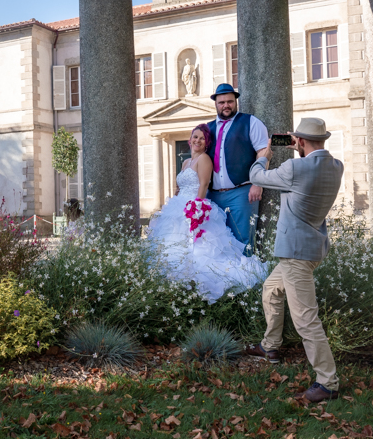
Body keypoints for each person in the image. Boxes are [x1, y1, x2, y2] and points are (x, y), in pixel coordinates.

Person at [245, 117, 344, 403]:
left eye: (297, 141)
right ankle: (270, 346)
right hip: (311, 248)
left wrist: (265, 156)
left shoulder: (294, 168)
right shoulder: (336, 166)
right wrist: (300, 147)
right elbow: (310, 165)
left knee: (306, 320)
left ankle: (327, 382)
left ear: (299, 140)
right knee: (271, 289)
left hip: (295, 253)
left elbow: (256, 176)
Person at [147, 124, 268, 301]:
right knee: (172, 247)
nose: (198, 141)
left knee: (197, 250)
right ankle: (176, 289)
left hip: (194, 206)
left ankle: (199, 287)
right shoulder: (186, 162)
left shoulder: (204, 159)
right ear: (190, 139)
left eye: (202, 138)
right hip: (179, 205)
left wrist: (196, 210)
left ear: (206, 143)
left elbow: (203, 185)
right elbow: (180, 187)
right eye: (195, 137)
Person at [205, 83, 270, 250]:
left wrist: (258, 183)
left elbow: (264, 152)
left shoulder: (251, 122)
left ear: (235, 102)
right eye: (222, 102)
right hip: (212, 196)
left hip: (242, 193)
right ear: (216, 104)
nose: (226, 105)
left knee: (243, 242)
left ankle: (247, 268)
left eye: (230, 101)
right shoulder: (207, 129)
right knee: (215, 245)